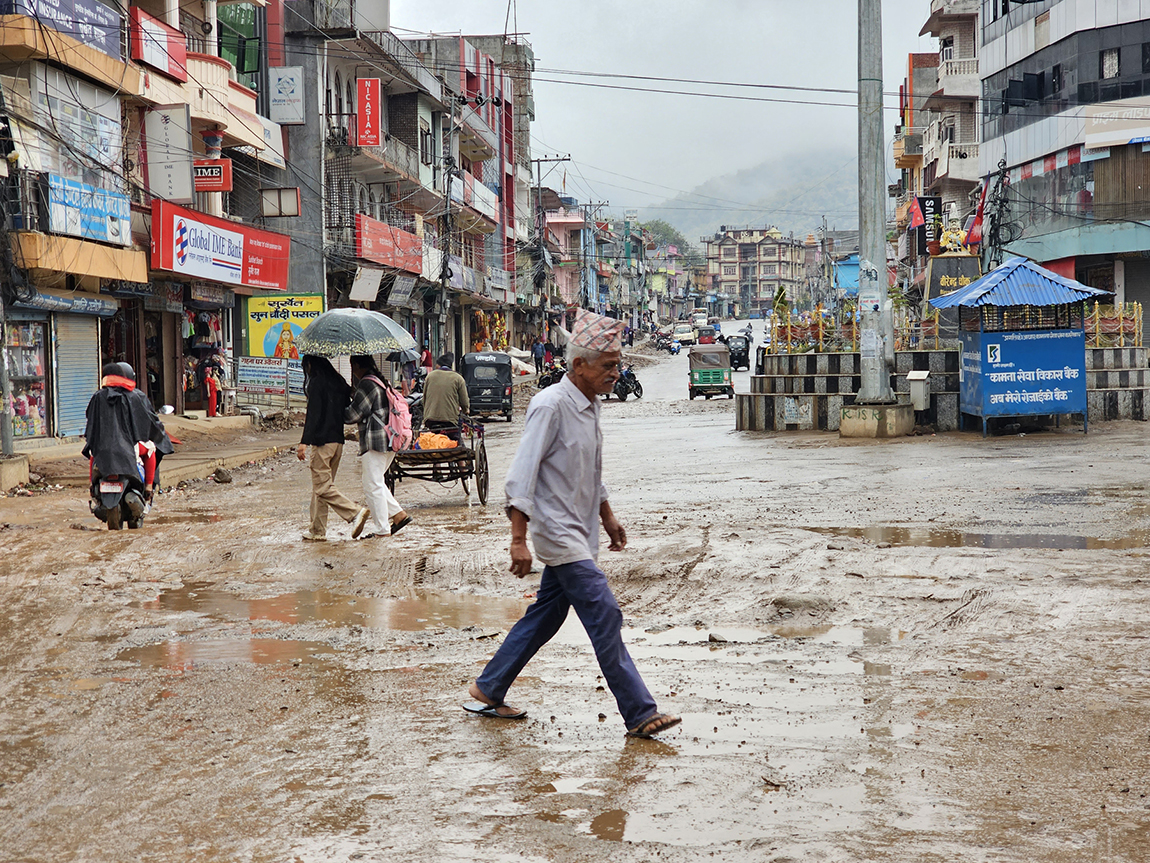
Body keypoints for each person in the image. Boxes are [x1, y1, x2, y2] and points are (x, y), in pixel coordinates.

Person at [464, 309, 681, 740]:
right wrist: (518, 539)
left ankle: (488, 687)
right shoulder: (550, 405)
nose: (616, 373)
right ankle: (639, 711)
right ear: (578, 365)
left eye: (618, 365)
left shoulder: (591, 405)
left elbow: (589, 470)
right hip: (557, 533)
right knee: (604, 612)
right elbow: (521, 475)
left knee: (546, 616)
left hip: (580, 531)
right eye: (609, 365)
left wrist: (608, 515)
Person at [297, 355, 370, 542]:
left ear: (311, 364)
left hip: (322, 443)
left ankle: (355, 512)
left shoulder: (316, 382)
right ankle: (317, 530)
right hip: (337, 442)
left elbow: (312, 414)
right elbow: (349, 402)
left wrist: (304, 442)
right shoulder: (338, 382)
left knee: (323, 487)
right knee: (322, 487)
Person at [83, 362, 164, 520]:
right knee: (151, 449)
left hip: (102, 449)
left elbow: (89, 420)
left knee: (94, 451)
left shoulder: (98, 397)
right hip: (130, 449)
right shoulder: (137, 396)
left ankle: (92, 486)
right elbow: (151, 422)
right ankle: (148, 488)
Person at [344, 355, 412, 537]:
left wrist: (338, 408)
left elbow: (352, 415)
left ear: (357, 366)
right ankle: (398, 515)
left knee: (372, 484)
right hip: (390, 440)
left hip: (376, 441)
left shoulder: (367, 384)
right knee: (376, 482)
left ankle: (382, 529)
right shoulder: (381, 382)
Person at [422, 352, 469, 443]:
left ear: (439, 365)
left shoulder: (429, 376)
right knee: (457, 442)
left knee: (431, 441)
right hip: (450, 421)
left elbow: (424, 399)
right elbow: (464, 402)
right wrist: (466, 410)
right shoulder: (458, 378)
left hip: (430, 419)